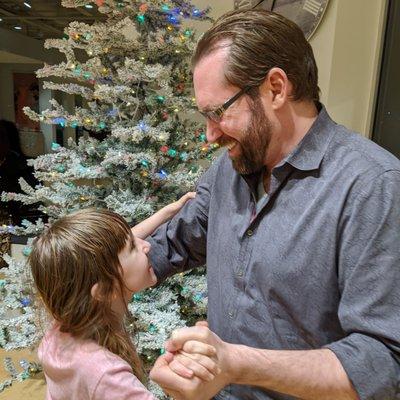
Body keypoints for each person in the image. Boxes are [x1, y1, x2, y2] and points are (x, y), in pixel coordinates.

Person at [148, 8, 400, 400]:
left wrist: (236, 364)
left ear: (277, 89)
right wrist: (98, 265)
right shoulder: (227, 170)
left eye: (218, 112)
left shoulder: (373, 186)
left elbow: (383, 362)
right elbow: (175, 243)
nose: (209, 134)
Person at [29, 193, 219, 400]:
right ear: (104, 290)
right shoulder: (106, 375)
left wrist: (167, 212)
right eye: (133, 247)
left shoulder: (62, 328)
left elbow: (111, 254)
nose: (147, 245)